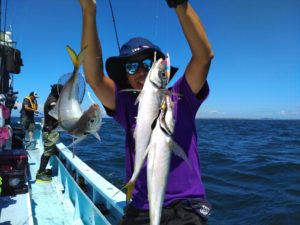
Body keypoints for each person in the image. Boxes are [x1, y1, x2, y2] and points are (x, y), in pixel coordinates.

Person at [79, 0, 214, 224]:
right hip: (141, 207)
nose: (141, 71)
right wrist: (89, 11)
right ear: (125, 76)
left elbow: (203, 57)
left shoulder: (182, 95)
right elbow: (94, 78)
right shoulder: (126, 105)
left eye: (147, 63)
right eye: (132, 67)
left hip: (187, 207)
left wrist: (181, 4)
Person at [36, 84, 63, 182]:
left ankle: (42, 170)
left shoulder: (51, 97)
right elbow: (56, 110)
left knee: (49, 150)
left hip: (50, 130)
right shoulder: (52, 101)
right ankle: (40, 173)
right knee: (47, 152)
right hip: (50, 131)